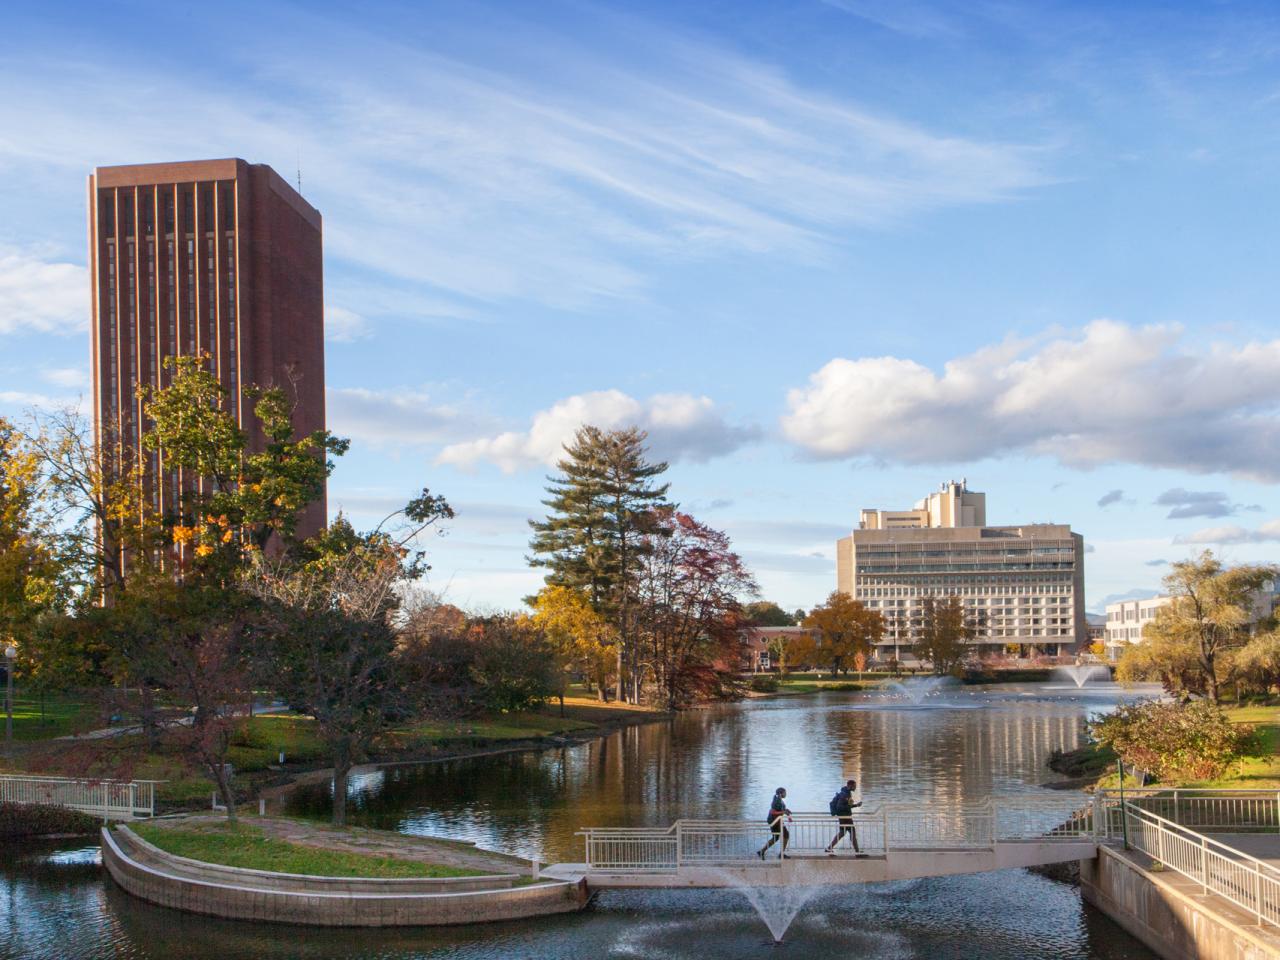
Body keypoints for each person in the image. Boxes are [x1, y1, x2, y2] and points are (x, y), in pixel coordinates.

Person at [825, 778, 865, 856]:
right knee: (852, 833)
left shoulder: (846, 793)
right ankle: (857, 852)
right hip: (845, 817)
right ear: (850, 785)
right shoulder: (845, 795)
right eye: (854, 786)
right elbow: (839, 807)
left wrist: (856, 805)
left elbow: (847, 805)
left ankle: (829, 848)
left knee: (842, 833)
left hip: (844, 817)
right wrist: (852, 806)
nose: (855, 787)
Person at [757, 787, 792, 859]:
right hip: (775, 822)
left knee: (775, 838)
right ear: (780, 793)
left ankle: (762, 851)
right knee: (786, 835)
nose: (786, 794)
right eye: (785, 792)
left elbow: (780, 809)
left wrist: (786, 811)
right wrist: (783, 812)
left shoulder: (778, 799)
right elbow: (772, 812)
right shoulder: (776, 801)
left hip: (776, 821)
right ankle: (781, 854)